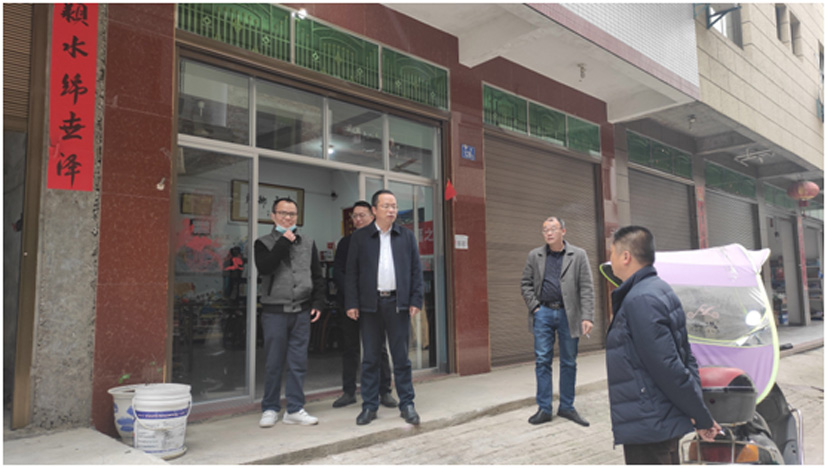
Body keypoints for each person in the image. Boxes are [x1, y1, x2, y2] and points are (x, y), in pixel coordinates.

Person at [606, 225, 721, 464]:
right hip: (660, 418)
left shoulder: (640, 299)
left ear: (626, 256)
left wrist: (699, 415)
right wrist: (695, 409)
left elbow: (668, 366)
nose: (610, 259)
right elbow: (685, 357)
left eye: (612, 253)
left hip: (650, 421)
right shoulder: (659, 289)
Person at [345, 189, 423, 426]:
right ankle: (370, 406)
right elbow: (352, 272)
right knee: (370, 358)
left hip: (398, 304)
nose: (391, 210)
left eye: (394, 206)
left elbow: (416, 270)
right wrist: (352, 303)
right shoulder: (361, 237)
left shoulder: (406, 236)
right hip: (370, 305)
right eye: (386, 206)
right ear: (374, 210)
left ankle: (407, 403)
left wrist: (415, 300)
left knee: (401, 358)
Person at [254, 197, 324, 428]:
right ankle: (270, 407)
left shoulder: (308, 242)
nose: (288, 217)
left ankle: (294, 409)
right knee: (274, 362)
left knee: (298, 363)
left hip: (302, 311)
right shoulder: (262, 243)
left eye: (292, 214)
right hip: (275, 312)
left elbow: (317, 275)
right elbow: (265, 267)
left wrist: (318, 303)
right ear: (273, 216)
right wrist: (284, 240)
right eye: (283, 213)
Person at [520, 216, 594, 426]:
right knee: (542, 360)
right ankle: (544, 408)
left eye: (553, 228)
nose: (549, 233)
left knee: (569, 361)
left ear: (563, 231)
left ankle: (567, 407)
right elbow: (525, 283)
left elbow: (586, 287)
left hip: (568, 314)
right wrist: (535, 307)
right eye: (545, 229)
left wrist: (587, 316)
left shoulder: (578, 255)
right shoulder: (535, 255)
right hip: (543, 312)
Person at [331, 201, 397, 409]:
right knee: (350, 347)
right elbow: (338, 271)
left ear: (373, 215)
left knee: (379, 348)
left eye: (362, 215)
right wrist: (353, 296)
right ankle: (349, 391)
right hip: (350, 303)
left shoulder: (381, 240)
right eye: (355, 216)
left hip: (374, 303)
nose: (358, 219)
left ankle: (384, 391)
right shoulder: (345, 243)